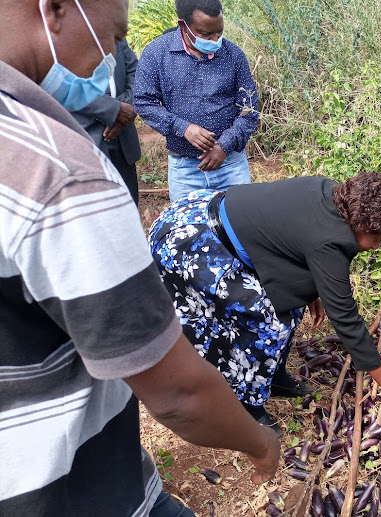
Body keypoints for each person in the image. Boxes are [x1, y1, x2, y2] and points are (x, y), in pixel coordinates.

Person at [0, 1, 279, 515]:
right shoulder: (60, 173)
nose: (108, 59)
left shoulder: (233, 57)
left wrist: (228, 143)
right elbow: (176, 395)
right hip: (71, 489)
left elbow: (248, 106)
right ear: (54, 9)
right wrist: (261, 444)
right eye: (110, 37)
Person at [148, 173, 381, 431]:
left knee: (288, 308)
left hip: (203, 216)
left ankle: (272, 379)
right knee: (261, 323)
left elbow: (293, 241)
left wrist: (314, 289)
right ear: (362, 225)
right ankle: (246, 403)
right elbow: (346, 318)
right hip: (193, 241)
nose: (376, 246)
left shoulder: (331, 193)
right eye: (377, 238)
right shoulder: (332, 241)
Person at [134, 0, 259, 202]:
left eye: (219, 32)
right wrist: (183, 128)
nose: (215, 39)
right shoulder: (156, 54)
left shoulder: (234, 55)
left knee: (238, 229)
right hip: (185, 171)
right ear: (183, 25)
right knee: (190, 231)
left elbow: (249, 108)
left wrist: (224, 146)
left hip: (231, 166)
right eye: (206, 34)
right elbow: (143, 102)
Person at [71, 38, 142, 204]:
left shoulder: (115, 37)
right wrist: (114, 110)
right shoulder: (63, 38)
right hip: (87, 136)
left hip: (123, 139)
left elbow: (136, 72)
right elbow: (66, 86)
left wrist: (123, 109)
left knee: (128, 204)